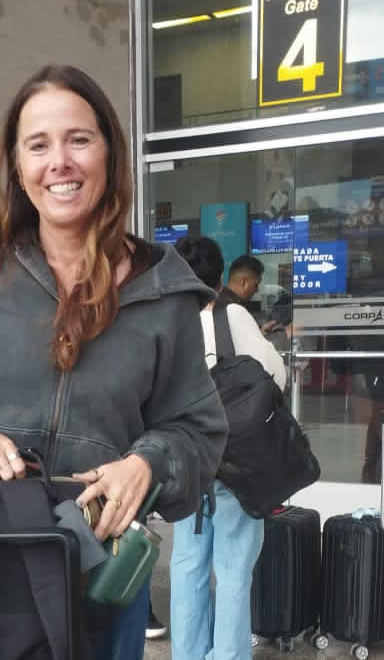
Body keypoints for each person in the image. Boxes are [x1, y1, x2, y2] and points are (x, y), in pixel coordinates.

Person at [0, 64, 227, 660]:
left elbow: (198, 428)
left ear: (109, 154)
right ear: (18, 166)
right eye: (38, 145)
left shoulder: (164, 289)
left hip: (99, 569)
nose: (59, 162)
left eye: (78, 139)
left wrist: (148, 462)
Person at [167, 236, 283, 660]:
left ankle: (188, 654)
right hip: (235, 460)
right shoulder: (231, 314)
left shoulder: (165, 320)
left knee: (187, 565)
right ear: (220, 277)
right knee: (233, 569)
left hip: (185, 461)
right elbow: (273, 375)